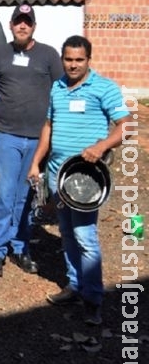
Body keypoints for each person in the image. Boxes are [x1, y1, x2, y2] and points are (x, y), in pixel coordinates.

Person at [28, 35, 129, 326]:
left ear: (88, 60)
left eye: (79, 60)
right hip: (60, 176)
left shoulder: (103, 88)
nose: (73, 65)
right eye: (69, 60)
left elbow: (125, 126)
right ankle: (75, 286)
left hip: (85, 179)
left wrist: (102, 146)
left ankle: (93, 299)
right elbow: (49, 127)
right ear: (63, 59)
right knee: (67, 234)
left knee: (85, 237)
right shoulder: (58, 88)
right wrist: (37, 161)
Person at [0, 4, 62, 278]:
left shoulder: (49, 56)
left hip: (38, 139)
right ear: (11, 25)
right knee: (5, 194)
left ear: (34, 27)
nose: (22, 26)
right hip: (6, 135)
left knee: (26, 197)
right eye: (18, 21)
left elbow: (60, 94)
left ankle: (20, 247)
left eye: (27, 22)